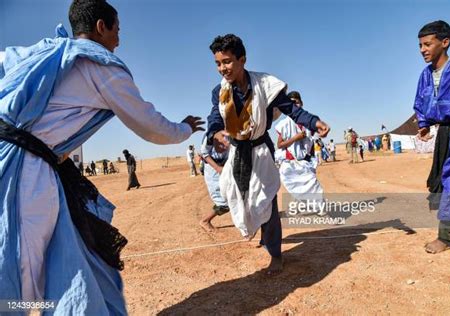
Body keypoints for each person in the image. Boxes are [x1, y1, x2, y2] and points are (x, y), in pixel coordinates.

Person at [0, 0, 204, 313]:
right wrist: (185, 129)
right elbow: (152, 128)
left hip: (12, 158)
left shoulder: (45, 52)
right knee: (21, 272)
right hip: (25, 172)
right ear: (101, 27)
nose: (118, 40)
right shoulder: (100, 65)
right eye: (117, 30)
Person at [206, 34, 330, 274]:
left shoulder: (264, 85)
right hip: (237, 153)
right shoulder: (219, 92)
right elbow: (215, 116)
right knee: (240, 197)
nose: (223, 68)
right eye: (218, 63)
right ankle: (259, 232)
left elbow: (290, 109)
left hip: (261, 151)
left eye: (228, 61)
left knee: (268, 201)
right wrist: (214, 134)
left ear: (242, 59)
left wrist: (314, 122)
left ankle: (275, 254)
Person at [413, 20, 450, 254]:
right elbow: (421, 102)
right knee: (447, 180)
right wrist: (425, 124)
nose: (422, 50)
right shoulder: (425, 75)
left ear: (445, 42)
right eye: (420, 45)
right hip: (445, 135)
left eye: (427, 44)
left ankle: (445, 237)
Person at [275, 91, 324, 201]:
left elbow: (317, 134)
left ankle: (320, 209)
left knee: (313, 186)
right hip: (291, 163)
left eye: (296, 103)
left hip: (306, 162)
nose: (294, 106)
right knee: (295, 189)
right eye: (291, 104)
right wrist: (295, 138)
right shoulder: (283, 125)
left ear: (301, 103)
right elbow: (280, 145)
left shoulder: (309, 121)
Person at [199, 135, 230, 232]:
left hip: (225, 169)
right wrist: (217, 167)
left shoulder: (231, 131)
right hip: (213, 170)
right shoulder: (211, 134)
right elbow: (204, 153)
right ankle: (205, 221)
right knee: (223, 204)